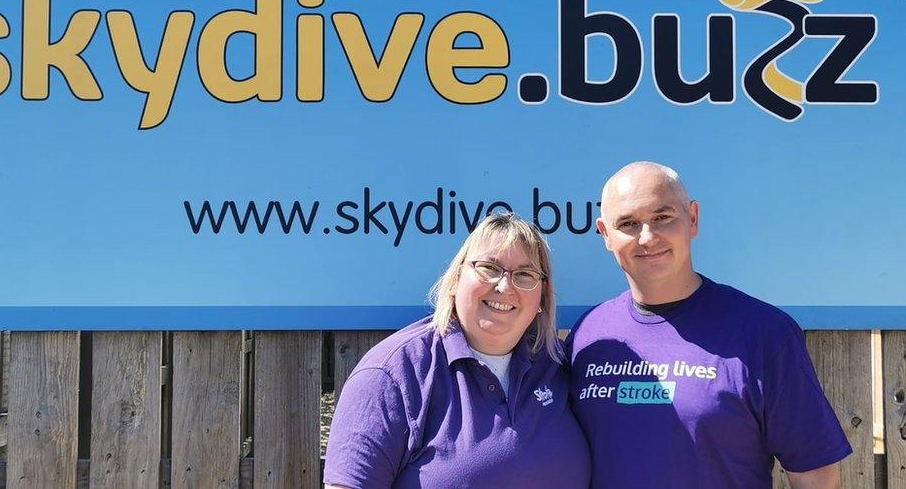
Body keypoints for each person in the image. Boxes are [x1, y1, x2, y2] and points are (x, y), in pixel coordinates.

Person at [565, 161, 851, 488]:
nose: (647, 237)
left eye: (662, 218)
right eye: (628, 223)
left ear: (693, 219)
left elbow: (816, 474)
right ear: (605, 234)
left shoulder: (764, 333)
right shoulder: (588, 336)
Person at [324, 212, 591, 488]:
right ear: (455, 280)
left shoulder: (558, 366)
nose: (504, 286)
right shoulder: (392, 375)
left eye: (524, 275)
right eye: (489, 267)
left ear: (541, 300)